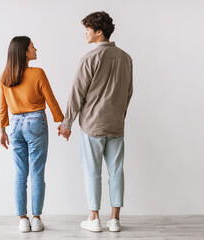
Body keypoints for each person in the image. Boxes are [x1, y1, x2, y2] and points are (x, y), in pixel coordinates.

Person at [58, 11, 133, 232]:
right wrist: (119, 116)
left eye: (88, 30)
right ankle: (115, 220)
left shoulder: (90, 58)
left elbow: (76, 93)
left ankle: (94, 218)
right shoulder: (126, 58)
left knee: (92, 171)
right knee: (116, 170)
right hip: (116, 124)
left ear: (99, 32)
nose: (85, 33)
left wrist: (67, 123)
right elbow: (129, 92)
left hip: (93, 125)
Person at [0, 36, 64, 232]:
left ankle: (22, 220)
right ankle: (36, 218)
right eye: (32, 47)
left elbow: (2, 107)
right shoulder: (37, 73)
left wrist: (2, 129)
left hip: (16, 124)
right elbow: (50, 100)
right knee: (36, 172)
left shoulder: (5, 76)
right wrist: (61, 121)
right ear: (24, 52)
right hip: (36, 122)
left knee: (20, 173)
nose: (36, 49)